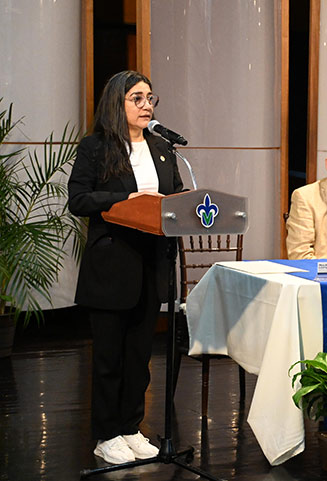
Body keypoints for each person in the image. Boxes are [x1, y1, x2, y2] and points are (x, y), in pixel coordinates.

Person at [68, 70, 184, 465]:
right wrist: (126, 198)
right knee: (109, 357)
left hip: (152, 264)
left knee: (138, 356)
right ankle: (105, 434)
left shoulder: (163, 148)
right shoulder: (97, 146)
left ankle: (131, 428)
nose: (147, 105)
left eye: (150, 97)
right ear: (117, 102)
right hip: (112, 264)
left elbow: (176, 198)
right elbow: (79, 200)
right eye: (137, 98)